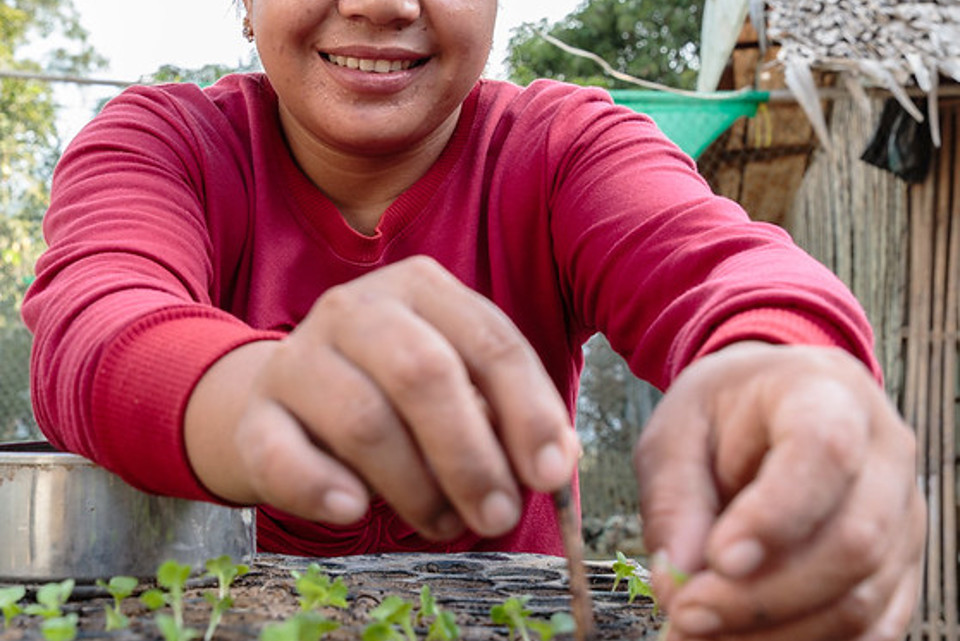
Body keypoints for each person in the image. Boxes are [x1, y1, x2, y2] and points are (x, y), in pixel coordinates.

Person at [22, 0, 924, 639]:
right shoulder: (159, 144)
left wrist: (793, 375)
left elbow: (730, 268)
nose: (381, 4)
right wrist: (257, 391)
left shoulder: (565, 151)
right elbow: (98, 322)